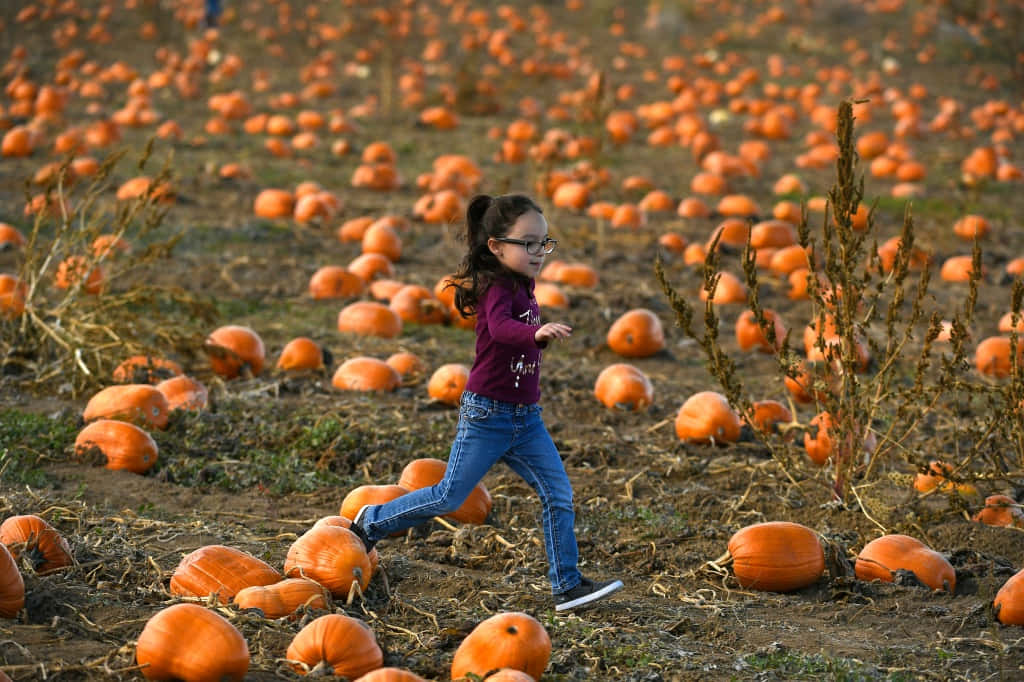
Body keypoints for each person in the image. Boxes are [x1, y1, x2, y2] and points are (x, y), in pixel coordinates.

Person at [350, 193, 623, 612]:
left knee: (558, 494)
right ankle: (371, 522)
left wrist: (536, 342)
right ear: (496, 246)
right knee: (448, 497)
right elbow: (499, 329)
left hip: (527, 419)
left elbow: (517, 342)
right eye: (528, 243)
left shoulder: (524, 286)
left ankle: (567, 586)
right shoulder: (496, 288)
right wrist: (533, 335)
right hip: (488, 416)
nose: (539, 253)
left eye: (544, 243)